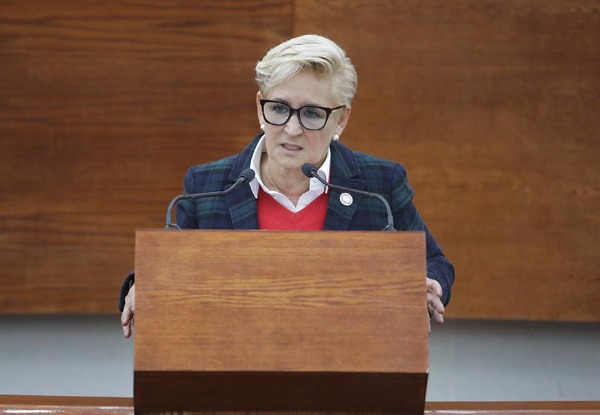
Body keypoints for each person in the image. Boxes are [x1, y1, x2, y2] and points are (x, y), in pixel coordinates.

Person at [119, 34, 454, 338]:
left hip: (347, 363)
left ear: (341, 119)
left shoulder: (379, 184)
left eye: (312, 114)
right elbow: (170, 269)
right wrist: (143, 285)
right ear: (260, 108)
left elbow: (434, 262)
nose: (292, 129)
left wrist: (427, 286)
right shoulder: (208, 185)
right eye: (279, 109)